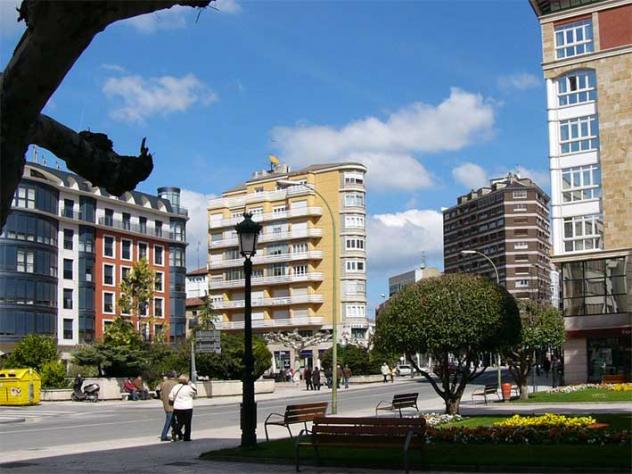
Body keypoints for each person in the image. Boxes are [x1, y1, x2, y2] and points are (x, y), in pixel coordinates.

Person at [169, 374, 197, 442]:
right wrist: (191, 384)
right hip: (187, 407)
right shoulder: (189, 388)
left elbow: (171, 397)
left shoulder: (176, 387)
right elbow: (194, 393)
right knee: (187, 423)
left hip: (177, 407)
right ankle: (187, 437)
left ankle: (175, 431)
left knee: (180, 422)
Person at [159, 371, 178, 441]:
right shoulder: (176, 384)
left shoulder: (163, 383)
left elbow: (161, 395)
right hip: (173, 404)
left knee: (172, 420)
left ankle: (178, 433)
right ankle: (163, 435)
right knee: (169, 420)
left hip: (166, 404)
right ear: (174, 376)